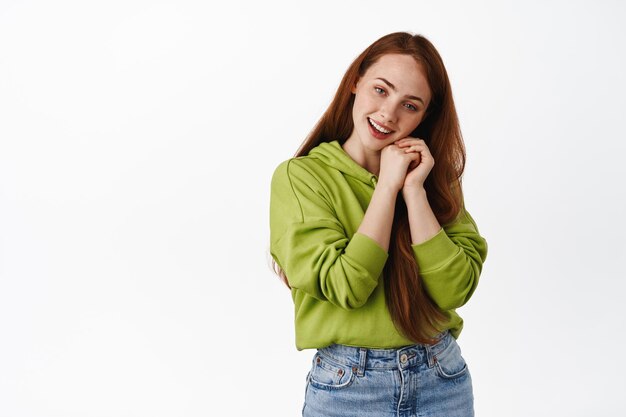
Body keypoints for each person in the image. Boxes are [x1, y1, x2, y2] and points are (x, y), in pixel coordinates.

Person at [268, 32, 488, 417]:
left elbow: (455, 289)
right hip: (348, 387)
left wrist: (414, 191)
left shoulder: (435, 178)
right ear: (355, 81)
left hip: (442, 377)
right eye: (380, 90)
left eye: (410, 105)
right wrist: (387, 187)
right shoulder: (301, 178)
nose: (389, 114)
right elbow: (347, 286)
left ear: (425, 116)